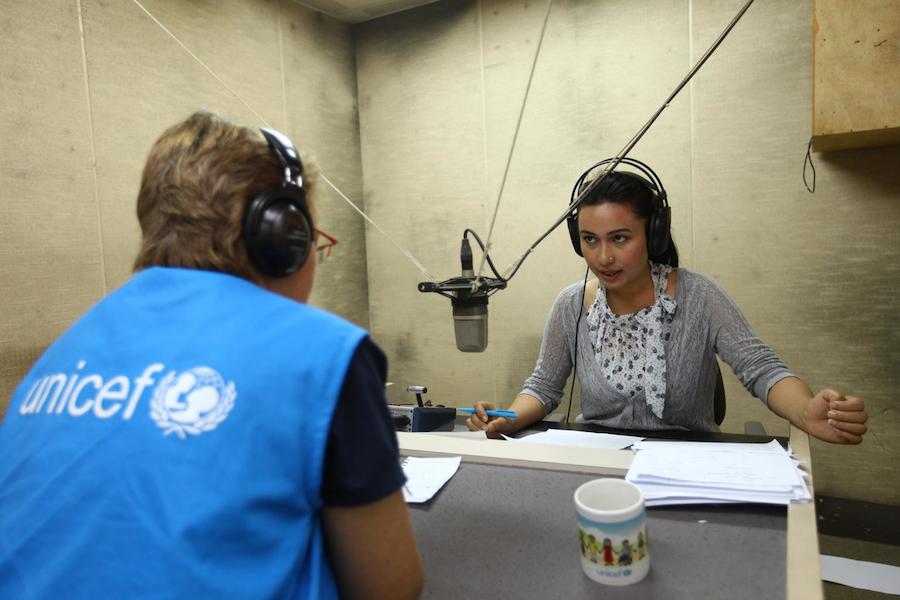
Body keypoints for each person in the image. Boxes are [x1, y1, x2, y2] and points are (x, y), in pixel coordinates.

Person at [0, 111, 423, 599]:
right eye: (313, 241)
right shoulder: (324, 354)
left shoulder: (61, 355)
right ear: (284, 235)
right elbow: (391, 587)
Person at [467, 162, 868, 445]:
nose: (603, 257)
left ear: (654, 233)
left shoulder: (700, 296)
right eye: (590, 239)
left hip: (689, 466)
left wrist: (806, 412)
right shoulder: (571, 306)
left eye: (620, 238)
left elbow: (760, 368)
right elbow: (543, 386)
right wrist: (506, 420)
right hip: (600, 467)